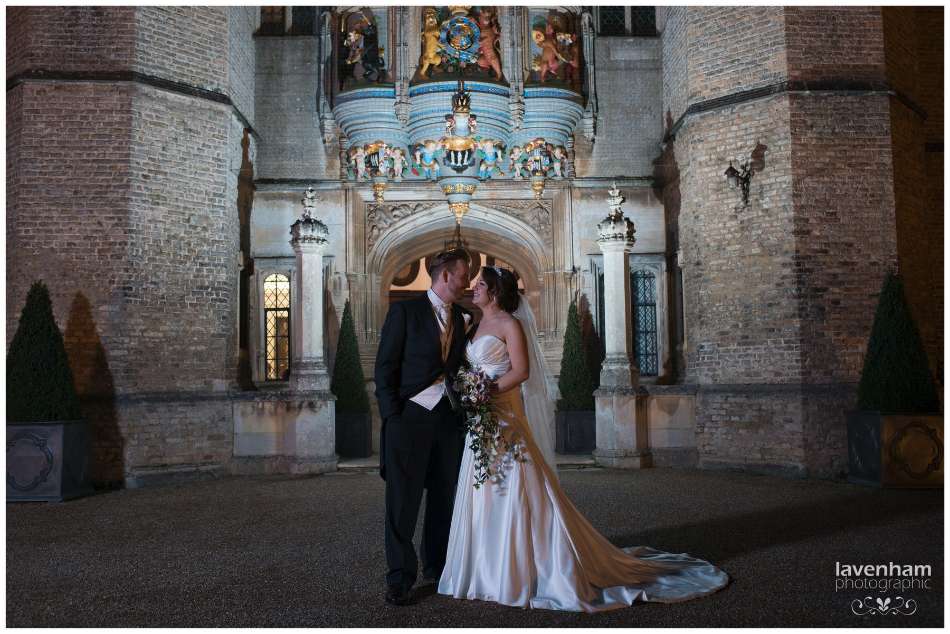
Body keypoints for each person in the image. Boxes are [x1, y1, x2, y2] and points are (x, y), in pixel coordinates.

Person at [437, 266, 730, 612]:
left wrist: (487, 392)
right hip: (481, 420)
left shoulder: (509, 325)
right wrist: (470, 392)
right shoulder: (473, 324)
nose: (474, 289)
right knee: (482, 486)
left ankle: (521, 570)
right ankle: (483, 569)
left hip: (503, 413)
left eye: (480, 284)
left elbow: (522, 370)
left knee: (516, 484)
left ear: (496, 291)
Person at [374, 249, 472, 606]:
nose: (467, 283)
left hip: (447, 420)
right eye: (463, 276)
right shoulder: (405, 311)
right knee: (402, 502)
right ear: (445, 276)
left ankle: (437, 565)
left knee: (444, 498)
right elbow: (385, 368)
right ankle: (400, 577)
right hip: (409, 420)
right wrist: (393, 417)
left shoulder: (463, 318)